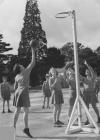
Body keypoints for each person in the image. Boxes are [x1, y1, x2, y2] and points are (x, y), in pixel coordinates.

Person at [13, 39, 37, 138]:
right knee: (26, 111)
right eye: (21, 65)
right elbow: (33, 61)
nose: (22, 65)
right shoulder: (25, 72)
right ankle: (26, 129)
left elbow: (15, 87)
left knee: (17, 111)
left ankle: (12, 129)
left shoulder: (17, 76)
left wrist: (24, 86)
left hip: (17, 92)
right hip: (23, 92)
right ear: (20, 68)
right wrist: (32, 49)